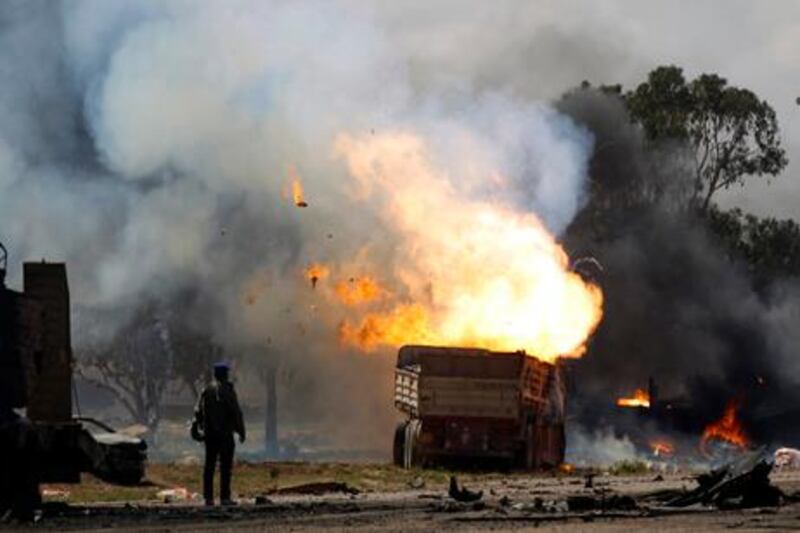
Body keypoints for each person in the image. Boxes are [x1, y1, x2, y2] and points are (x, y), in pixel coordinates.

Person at [194, 362, 245, 506]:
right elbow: (236, 412)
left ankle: (208, 498)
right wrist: (241, 431)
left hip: (210, 435)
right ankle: (224, 498)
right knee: (225, 467)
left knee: (209, 466)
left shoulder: (207, 390)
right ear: (225, 374)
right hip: (225, 435)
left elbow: (198, 411)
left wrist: (198, 428)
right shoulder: (228, 390)